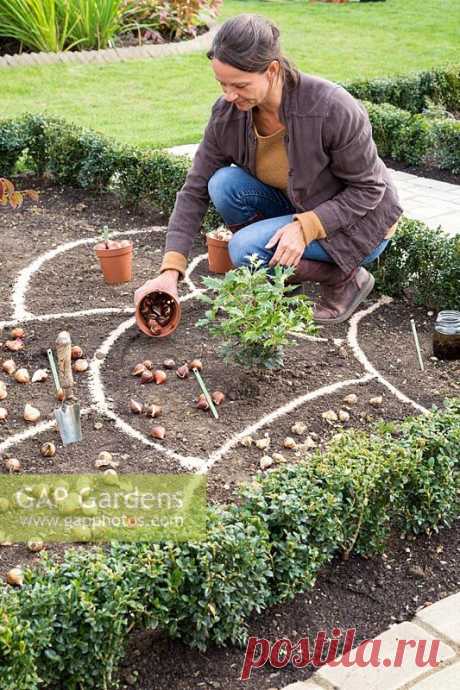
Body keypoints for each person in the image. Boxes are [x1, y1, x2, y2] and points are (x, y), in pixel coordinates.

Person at [136, 13, 403, 324]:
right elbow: (195, 188)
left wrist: (305, 228)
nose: (228, 95)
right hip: (300, 205)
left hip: (360, 223)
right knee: (223, 184)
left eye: (239, 84)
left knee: (244, 249)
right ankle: (283, 276)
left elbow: (369, 189)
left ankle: (344, 278)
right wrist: (171, 271)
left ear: (272, 69)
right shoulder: (228, 115)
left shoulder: (331, 108)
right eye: (221, 83)